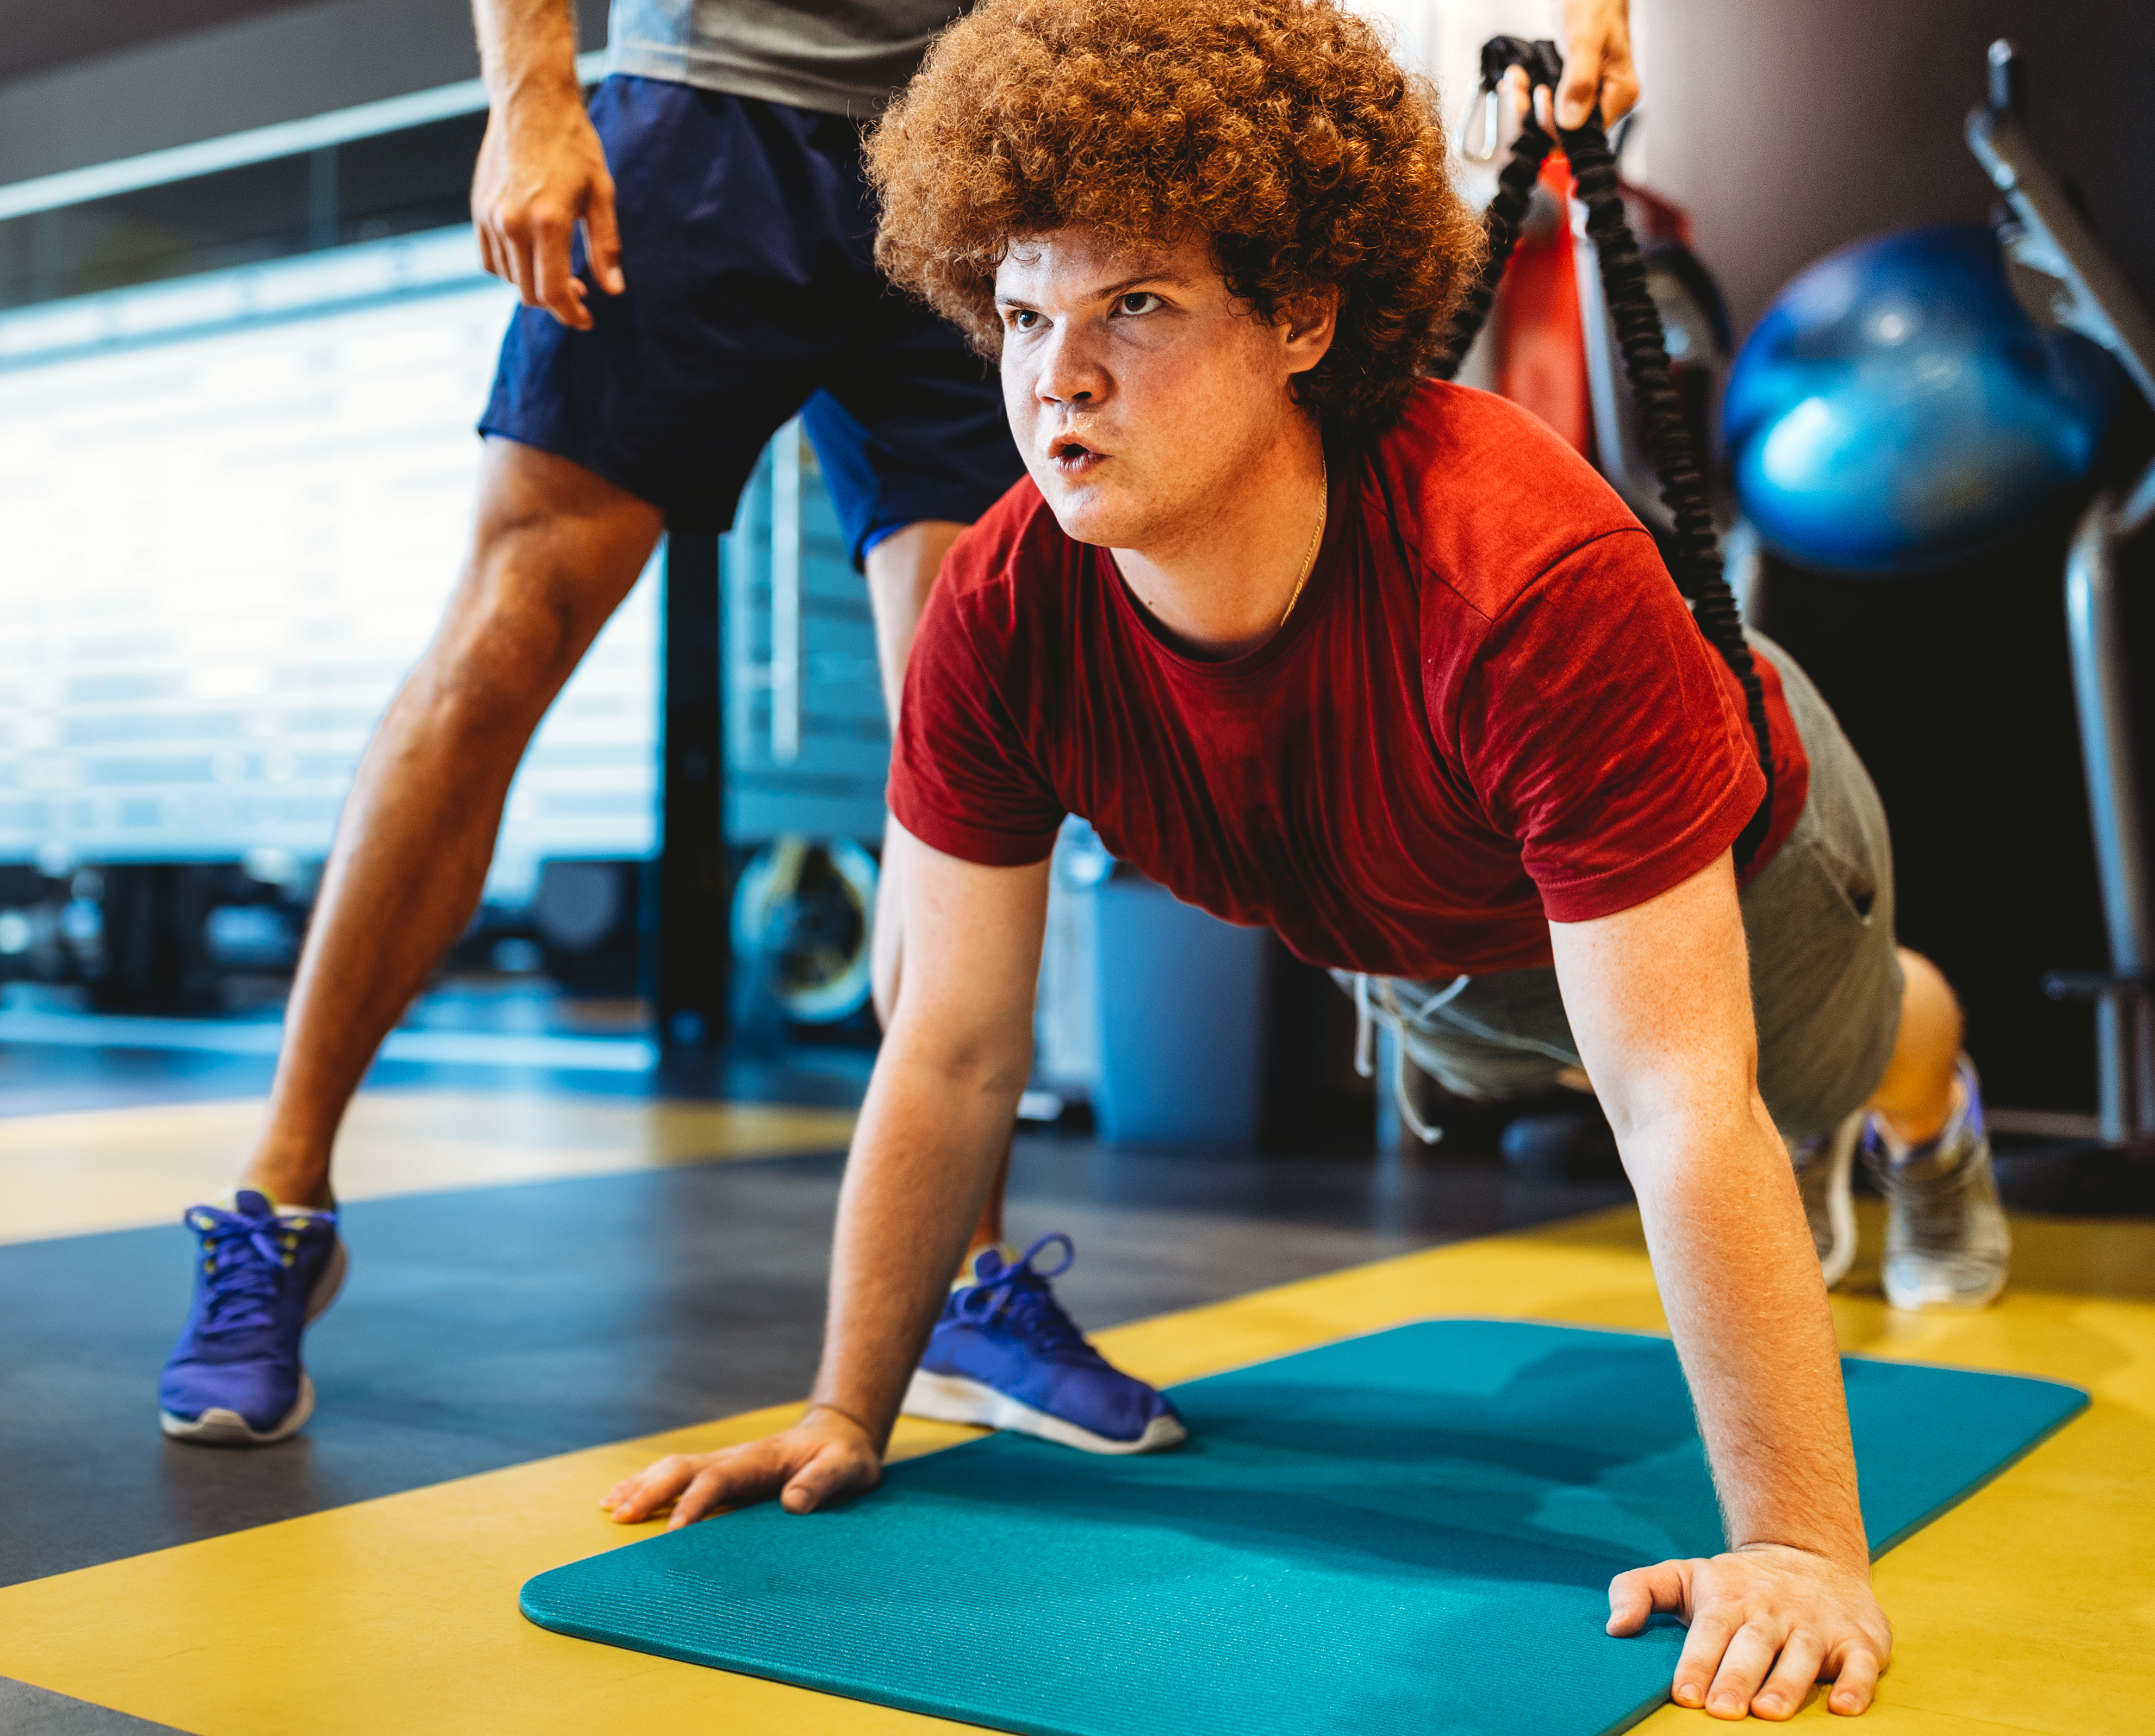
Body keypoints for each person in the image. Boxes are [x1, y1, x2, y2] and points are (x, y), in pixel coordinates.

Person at [601, 0, 2015, 1720]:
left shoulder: (1520, 580)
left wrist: (1795, 1546)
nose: (1058, 375)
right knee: (1623, 1073)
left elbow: (1675, 1100)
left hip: (1756, 858)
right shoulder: (998, 608)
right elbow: (956, 1041)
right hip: (1436, 942)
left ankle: (1931, 1124)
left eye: (1137, 303)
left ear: (1299, 315)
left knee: (1827, 1072)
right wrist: (846, 1408)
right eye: (1027, 312)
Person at [153, 0, 1646, 1454]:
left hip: (995, 136)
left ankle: (966, 1291)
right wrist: (531, 92)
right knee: (501, 647)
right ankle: (283, 1199)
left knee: (972, 685)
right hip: (719, 104)